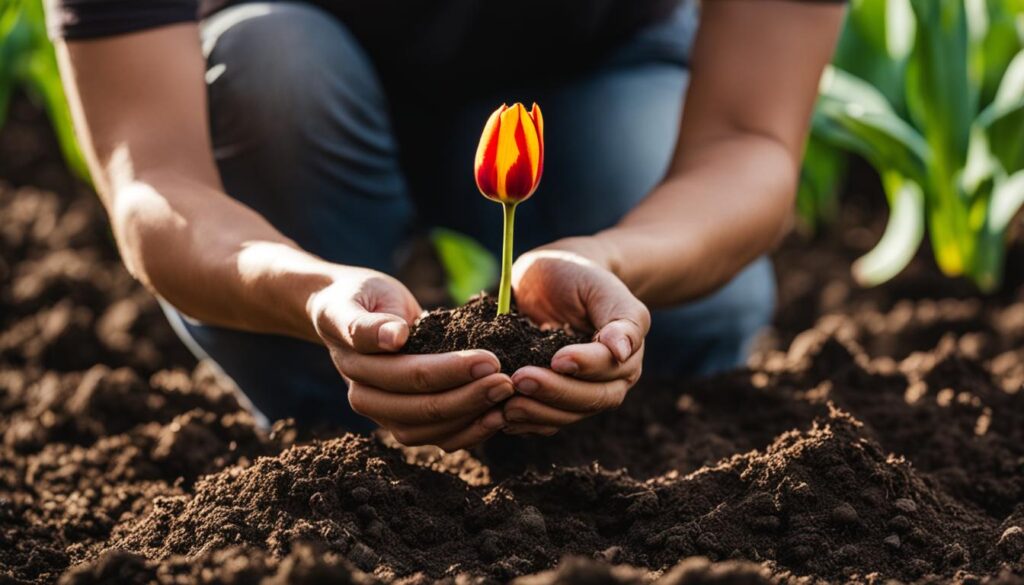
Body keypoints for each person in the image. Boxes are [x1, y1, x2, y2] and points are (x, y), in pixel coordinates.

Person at [49, 0, 845, 450]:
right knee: (269, 76)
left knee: (652, 170)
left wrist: (611, 256)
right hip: (301, 110)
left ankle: (627, 440)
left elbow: (750, 139)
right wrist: (314, 294)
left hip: (589, 90)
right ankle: (334, 443)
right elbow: (155, 179)